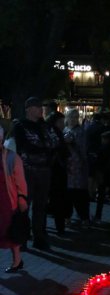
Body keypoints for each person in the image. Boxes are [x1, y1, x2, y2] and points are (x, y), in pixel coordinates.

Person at [11, 96, 59, 250]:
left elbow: (55, 142)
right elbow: (26, 147)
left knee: (41, 206)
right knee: (25, 205)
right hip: (28, 170)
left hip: (44, 170)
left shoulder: (44, 125)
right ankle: (22, 238)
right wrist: (44, 147)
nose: (41, 110)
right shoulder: (20, 125)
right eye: (38, 107)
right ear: (29, 109)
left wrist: (43, 147)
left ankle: (39, 237)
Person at [0, 125, 29, 272]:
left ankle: (17, 261)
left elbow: (20, 181)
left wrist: (22, 198)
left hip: (7, 200)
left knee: (11, 232)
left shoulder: (11, 157)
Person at [63, 108, 90, 226]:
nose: (73, 119)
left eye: (75, 117)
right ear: (67, 118)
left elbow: (83, 149)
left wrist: (72, 143)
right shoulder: (65, 130)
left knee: (80, 194)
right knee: (67, 194)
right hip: (67, 166)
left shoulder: (81, 131)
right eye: (71, 117)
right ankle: (67, 216)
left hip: (78, 167)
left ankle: (84, 216)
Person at [46, 111, 69, 236]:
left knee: (53, 200)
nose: (63, 124)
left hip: (53, 171)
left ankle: (48, 227)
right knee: (58, 199)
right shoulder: (54, 134)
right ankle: (60, 228)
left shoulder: (53, 133)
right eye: (61, 122)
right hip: (56, 172)